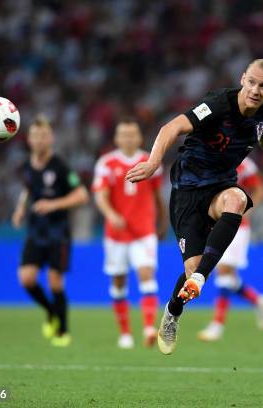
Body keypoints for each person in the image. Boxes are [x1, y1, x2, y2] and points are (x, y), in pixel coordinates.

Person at [126, 58, 263, 355]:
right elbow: (173, 126)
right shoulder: (217, 104)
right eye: (251, 81)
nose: (255, 89)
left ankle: (201, 277)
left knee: (237, 199)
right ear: (243, 78)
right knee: (190, 272)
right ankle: (173, 312)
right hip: (187, 191)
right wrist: (152, 162)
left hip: (220, 187)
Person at [12, 115, 89, 347]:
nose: (40, 140)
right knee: (26, 279)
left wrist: (53, 204)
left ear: (51, 138)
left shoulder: (60, 166)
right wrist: (19, 208)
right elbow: (28, 189)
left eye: (44, 136)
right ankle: (51, 312)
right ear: (29, 139)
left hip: (58, 233)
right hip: (35, 232)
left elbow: (82, 195)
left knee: (55, 281)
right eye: (36, 136)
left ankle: (63, 331)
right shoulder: (26, 166)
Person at [92, 118, 167, 349]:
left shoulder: (151, 161)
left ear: (139, 137)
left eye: (132, 134)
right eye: (123, 134)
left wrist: (163, 221)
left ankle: (147, 328)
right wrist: (111, 214)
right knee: (119, 282)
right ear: (116, 138)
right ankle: (125, 333)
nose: (128, 138)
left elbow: (157, 196)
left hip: (144, 231)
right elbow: (100, 194)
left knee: (147, 276)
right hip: (116, 235)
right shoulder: (106, 163)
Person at [197, 156, 263, 342]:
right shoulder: (210, 159)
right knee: (226, 275)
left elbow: (261, 189)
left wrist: (246, 211)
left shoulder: (245, 164)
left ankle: (217, 325)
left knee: (223, 271)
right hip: (215, 223)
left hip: (237, 226)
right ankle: (258, 301)